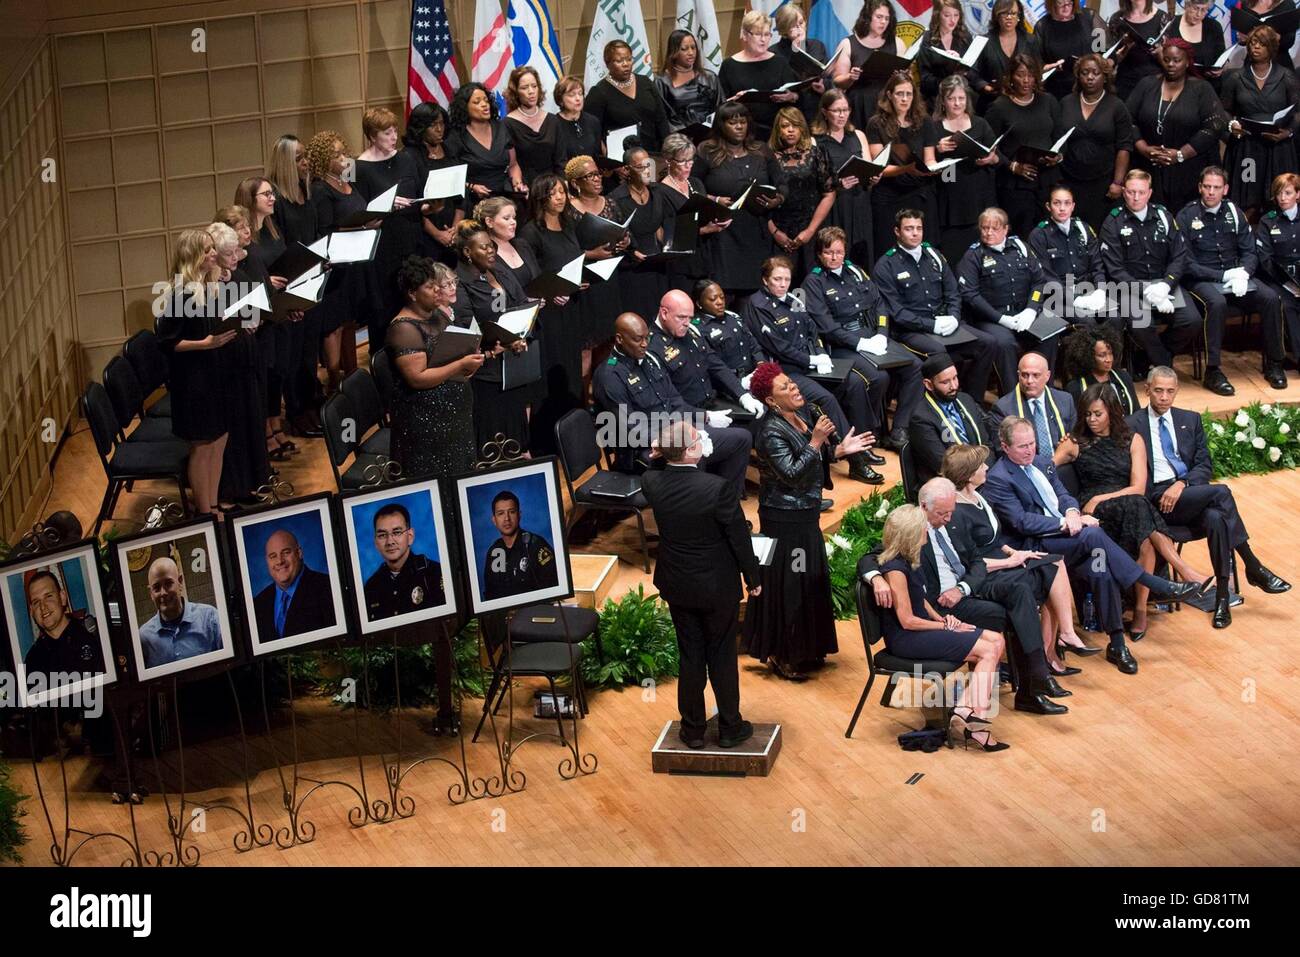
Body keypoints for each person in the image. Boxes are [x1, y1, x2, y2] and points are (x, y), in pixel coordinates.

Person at [982, 416, 1201, 674]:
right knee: (1093, 535)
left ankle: (1117, 644)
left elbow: (1063, 494)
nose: (1030, 449)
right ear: (1005, 447)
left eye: (1032, 443)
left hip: (1067, 540)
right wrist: (1065, 524)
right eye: (1022, 446)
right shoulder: (999, 478)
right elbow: (1021, 521)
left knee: (1101, 565)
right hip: (1036, 547)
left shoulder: (1041, 462)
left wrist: (1073, 512)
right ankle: (1156, 584)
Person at [1129, 366, 1291, 629]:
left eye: (1170, 391)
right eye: (1158, 390)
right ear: (1147, 390)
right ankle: (1253, 565)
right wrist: (1172, 489)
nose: (1164, 397)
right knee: (1222, 492)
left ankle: (1222, 599)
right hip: (1157, 500)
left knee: (1216, 517)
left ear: (1177, 392)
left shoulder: (1190, 419)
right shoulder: (1132, 425)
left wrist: (1182, 483)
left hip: (1187, 493)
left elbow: (1204, 465)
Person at [741, 362, 873, 680]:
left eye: (792, 383)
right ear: (771, 401)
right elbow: (790, 473)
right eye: (785, 388)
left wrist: (838, 450)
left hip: (806, 514)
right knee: (789, 586)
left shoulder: (804, 416)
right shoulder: (770, 431)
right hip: (783, 519)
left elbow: (811, 458)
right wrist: (816, 442)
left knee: (809, 580)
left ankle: (809, 647)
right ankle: (782, 653)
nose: (794, 388)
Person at [1054, 384, 1213, 640]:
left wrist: (1100, 497)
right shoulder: (1074, 443)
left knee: (1143, 530)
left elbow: (1138, 488)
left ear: (1112, 412)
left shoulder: (1132, 439)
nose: (1091, 420)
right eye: (1087, 414)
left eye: (1098, 414)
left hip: (1121, 501)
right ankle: (1182, 570)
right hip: (1097, 513)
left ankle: (1141, 610)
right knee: (1142, 517)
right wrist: (1075, 505)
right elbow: (1046, 471)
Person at [641, 419, 760, 749]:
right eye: (697, 439)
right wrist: (753, 578)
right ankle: (729, 727)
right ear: (693, 451)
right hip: (716, 586)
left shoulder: (652, 481)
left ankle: (692, 730)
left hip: (677, 584)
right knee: (721, 656)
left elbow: (649, 469)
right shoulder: (718, 488)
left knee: (690, 655)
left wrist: (659, 455)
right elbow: (739, 538)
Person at [941, 442, 1099, 672]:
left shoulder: (978, 497)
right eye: (980, 465)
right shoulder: (955, 511)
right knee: (1046, 575)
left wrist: (1016, 553)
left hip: (1003, 560)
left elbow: (996, 540)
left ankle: (1061, 639)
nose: (987, 467)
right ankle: (1045, 659)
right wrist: (1009, 561)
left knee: (1054, 561)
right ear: (967, 475)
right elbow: (966, 563)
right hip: (984, 575)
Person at [869, 505, 1009, 750]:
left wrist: (944, 620)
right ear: (911, 533)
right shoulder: (895, 570)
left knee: (997, 639)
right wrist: (943, 628)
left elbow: (920, 600)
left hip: (925, 629)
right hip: (908, 638)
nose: (927, 529)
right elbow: (907, 620)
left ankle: (968, 710)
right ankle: (971, 718)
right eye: (922, 527)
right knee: (987, 651)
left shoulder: (909, 559)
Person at [741, 255, 885, 483]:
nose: (782, 284)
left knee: (854, 383)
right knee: (826, 398)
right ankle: (855, 460)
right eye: (777, 279)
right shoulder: (757, 305)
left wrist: (819, 352)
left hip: (811, 362)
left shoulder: (794, 297)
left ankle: (862, 442)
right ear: (765, 280)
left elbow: (812, 329)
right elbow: (777, 346)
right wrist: (810, 360)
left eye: (786, 279)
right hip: (787, 370)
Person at [593, 312, 753, 495]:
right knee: (692, 456)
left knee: (741, 439)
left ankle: (725, 505)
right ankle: (695, 515)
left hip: (677, 433)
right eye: (638, 339)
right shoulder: (609, 376)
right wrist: (678, 440)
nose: (645, 344)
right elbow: (630, 428)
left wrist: (703, 418)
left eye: (647, 338)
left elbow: (675, 402)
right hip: (644, 448)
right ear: (619, 339)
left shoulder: (649, 360)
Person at [799, 226, 924, 448]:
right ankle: (868, 432)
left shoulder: (856, 272)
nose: (835, 257)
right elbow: (826, 327)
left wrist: (882, 334)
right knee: (877, 378)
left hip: (872, 336)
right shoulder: (814, 282)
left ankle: (900, 428)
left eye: (839, 251)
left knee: (915, 366)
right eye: (829, 252)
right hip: (842, 344)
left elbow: (880, 305)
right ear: (819, 254)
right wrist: (860, 343)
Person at [873, 209, 1004, 403]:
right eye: (909, 229)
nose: (915, 233)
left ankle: (971, 402)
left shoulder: (934, 255)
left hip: (944, 322)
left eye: (919, 228)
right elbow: (897, 313)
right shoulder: (886, 265)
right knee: (939, 353)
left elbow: (953, 291)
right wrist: (930, 325)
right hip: (910, 331)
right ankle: (941, 406)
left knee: (988, 343)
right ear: (897, 232)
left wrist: (953, 316)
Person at [1175, 165, 1286, 392]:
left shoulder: (1234, 212)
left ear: (1225, 189)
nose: (1211, 192)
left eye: (1216, 187)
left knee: (1271, 298)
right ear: (1200, 187)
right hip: (1201, 279)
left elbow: (1249, 251)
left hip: (1236, 277)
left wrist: (1244, 272)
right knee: (1216, 303)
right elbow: (1186, 263)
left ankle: (1275, 363)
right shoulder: (1186, 215)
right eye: (1207, 187)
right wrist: (1223, 275)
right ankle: (1213, 370)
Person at [156, 229, 236, 520]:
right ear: (192, 256)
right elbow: (166, 342)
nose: (213, 253)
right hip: (193, 383)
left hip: (215, 376)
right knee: (203, 446)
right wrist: (205, 344)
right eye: (206, 250)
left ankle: (213, 504)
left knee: (220, 440)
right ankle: (204, 512)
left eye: (213, 248)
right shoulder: (180, 293)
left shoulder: (207, 285)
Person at [385, 256, 481, 480]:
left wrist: (470, 362)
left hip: (453, 418)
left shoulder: (436, 314)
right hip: (426, 425)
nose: (438, 290)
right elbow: (417, 378)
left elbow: (449, 351)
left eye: (437, 284)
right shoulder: (404, 329)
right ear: (412, 293)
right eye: (430, 287)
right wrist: (460, 365)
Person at [1097, 170, 1202, 372]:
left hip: (1164, 283)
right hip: (1129, 288)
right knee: (1141, 324)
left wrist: (1166, 284)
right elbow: (1115, 270)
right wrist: (1146, 292)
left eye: (1141, 192)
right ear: (1123, 192)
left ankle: (1146, 358)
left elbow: (1180, 256)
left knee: (1191, 320)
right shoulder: (1113, 221)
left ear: (1150, 193)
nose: (1136, 197)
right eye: (1130, 192)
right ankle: (1164, 366)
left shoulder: (1163, 216)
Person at [450, 220, 531, 455]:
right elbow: (465, 327)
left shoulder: (499, 271)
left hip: (513, 365)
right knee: (493, 444)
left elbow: (521, 302)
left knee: (517, 439)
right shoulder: (460, 284)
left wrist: (521, 334)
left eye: (491, 246)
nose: (491, 251)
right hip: (487, 372)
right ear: (467, 252)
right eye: (484, 247)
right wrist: (503, 340)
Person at [305, 130, 375, 395]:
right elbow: (324, 232)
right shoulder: (321, 189)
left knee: (349, 322)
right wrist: (357, 226)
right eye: (336, 154)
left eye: (343, 151)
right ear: (323, 158)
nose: (344, 158)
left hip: (354, 262)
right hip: (334, 267)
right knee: (332, 325)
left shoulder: (347, 179)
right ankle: (334, 382)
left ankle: (351, 375)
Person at [692, 102, 785, 295]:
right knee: (724, 293)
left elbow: (782, 183)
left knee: (756, 294)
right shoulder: (706, 151)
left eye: (743, 122)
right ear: (721, 125)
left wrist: (777, 200)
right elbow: (691, 187)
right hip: (723, 234)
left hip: (756, 232)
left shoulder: (761, 150)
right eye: (733, 123)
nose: (739, 127)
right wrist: (714, 199)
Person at [1126, 38, 1226, 216]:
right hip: (1150, 166)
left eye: (1177, 60)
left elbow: (1215, 126)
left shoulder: (1201, 88)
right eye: (1166, 59)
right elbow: (1128, 120)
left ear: (1187, 62)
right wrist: (1143, 148)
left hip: (1189, 169)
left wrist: (1180, 154)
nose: (1170, 64)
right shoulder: (1146, 84)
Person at [957, 206, 1059, 375]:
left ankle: (1044, 389)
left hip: (1024, 312)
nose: (989, 233)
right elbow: (971, 295)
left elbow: (1038, 282)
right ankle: (1011, 395)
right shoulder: (973, 256)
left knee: (1050, 331)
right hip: (992, 318)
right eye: (984, 228)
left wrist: (1031, 309)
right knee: (1005, 344)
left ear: (1005, 229)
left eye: (994, 228)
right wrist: (1001, 319)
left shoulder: (1021, 248)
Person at [353, 107, 425, 346]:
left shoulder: (405, 158)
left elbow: (417, 195)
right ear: (372, 136)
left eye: (395, 130)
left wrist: (428, 206)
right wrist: (385, 205)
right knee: (385, 310)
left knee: (413, 304)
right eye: (387, 133)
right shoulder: (357, 168)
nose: (394, 137)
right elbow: (356, 211)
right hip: (382, 249)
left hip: (410, 240)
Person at [647, 289, 765, 421]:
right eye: (681, 317)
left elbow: (716, 365)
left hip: (713, 402)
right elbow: (668, 400)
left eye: (690, 317)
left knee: (759, 414)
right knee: (743, 436)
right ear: (664, 313)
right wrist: (705, 417)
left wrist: (743, 395)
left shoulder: (691, 331)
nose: (687, 323)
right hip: (689, 416)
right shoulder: (651, 347)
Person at [921, 74, 1001, 266]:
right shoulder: (934, 127)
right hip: (950, 200)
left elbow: (997, 156)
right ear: (943, 101)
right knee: (955, 258)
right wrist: (938, 150)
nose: (957, 103)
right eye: (951, 99)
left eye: (961, 98)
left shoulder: (980, 124)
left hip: (979, 195)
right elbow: (927, 163)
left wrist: (991, 158)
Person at [1221, 26, 1300, 219]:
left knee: (1280, 198)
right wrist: (1232, 126)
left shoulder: (1287, 77)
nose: (1256, 47)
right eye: (1253, 43)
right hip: (1247, 147)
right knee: (1248, 201)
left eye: (1262, 44)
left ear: (1272, 48)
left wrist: (1288, 132)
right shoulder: (1235, 78)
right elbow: (1224, 110)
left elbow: (1298, 111)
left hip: (1277, 146)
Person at [984, 54, 1065, 238]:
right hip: (1015, 185)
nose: (1026, 80)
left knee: (1051, 235)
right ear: (1011, 77)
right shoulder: (999, 107)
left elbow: (1060, 138)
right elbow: (989, 145)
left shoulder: (1049, 101)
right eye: (1020, 75)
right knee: (1022, 234)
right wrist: (1011, 166)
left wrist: (1057, 157)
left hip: (1047, 180)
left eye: (1030, 74)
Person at [864, 70, 937, 263]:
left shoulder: (925, 121)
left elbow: (929, 158)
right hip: (888, 195)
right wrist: (905, 169)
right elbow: (879, 166)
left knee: (921, 251)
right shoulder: (876, 123)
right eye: (899, 94)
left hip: (918, 192)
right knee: (887, 251)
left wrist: (934, 168)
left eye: (909, 94)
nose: (905, 99)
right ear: (889, 95)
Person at [1059, 54, 1135, 230]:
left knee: (1100, 230)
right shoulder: (1066, 103)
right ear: (1078, 76)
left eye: (1095, 73)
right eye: (1085, 72)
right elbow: (1059, 139)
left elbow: (1124, 146)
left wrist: (1118, 182)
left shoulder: (1116, 106)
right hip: (1070, 178)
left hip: (1103, 183)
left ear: (1105, 76)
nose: (1090, 77)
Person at [768, 107, 836, 281]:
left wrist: (810, 231)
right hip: (778, 231)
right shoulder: (767, 157)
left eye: (795, 125)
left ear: (802, 128)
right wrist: (775, 232)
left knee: (811, 284)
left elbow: (829, 194)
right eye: (785, 126)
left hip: (811, 229)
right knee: (781, 282)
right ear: (778, 130)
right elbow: (760, 200)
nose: (791, 130)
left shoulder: (816, 154)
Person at [608, 143, 674, 320]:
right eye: (641, 167)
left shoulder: (657, 192)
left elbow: (663, 223)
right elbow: (616, 234)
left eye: (649, 165)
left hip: (658, 264)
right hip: (632, 269)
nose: (647, 170)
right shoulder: (616, 198)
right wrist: (631, 250)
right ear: (628, 170)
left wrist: (667, 247)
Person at [812, 88, 875, 268]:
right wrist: (838, 184)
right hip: (836, 205)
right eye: (837, 111)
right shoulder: (816, 140)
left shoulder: (858, 135)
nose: (842, 115)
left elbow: (869, 167)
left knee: (862, 255)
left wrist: (873, 178)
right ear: (825, 112)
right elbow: (816, 180)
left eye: (846, 110)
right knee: (836, 254)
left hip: (860, 202)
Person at [1026, 185, 1110, 319]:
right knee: (1087, 321)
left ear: (1073, 206)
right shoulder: (1039, 235)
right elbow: (1046, 277)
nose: (1062, 208)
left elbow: (1097, 265)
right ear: (1048, 206)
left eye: (1067, 203)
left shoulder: (1084, 228)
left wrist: (1100, 290)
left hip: (1088, 291)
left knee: (1115, 317)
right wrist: (1075, 299)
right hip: (1057, 298)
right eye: (1056, 203)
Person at [908, 353, 993, 484]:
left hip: (983, 474)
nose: (954, 386)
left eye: (955, 378)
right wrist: (978, 476)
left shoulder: (965, 400)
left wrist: (986, 472)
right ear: (929, 384)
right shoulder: (921, 418)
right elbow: (944, 466)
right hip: (952, 485)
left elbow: (987, 444)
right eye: (945, 382)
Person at [719, 11, 801, 141]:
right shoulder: (729, 65)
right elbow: (721, 105)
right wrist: (734, 101)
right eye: (758, 34)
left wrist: (791, 96)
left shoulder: (779, 62)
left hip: (777, 132)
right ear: (745, 35)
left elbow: (797, 95)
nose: (763, 40)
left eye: (767, 34)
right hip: (742, 133)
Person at [829, 0, 906, 129]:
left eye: (887, 18)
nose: (883, 22)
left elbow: (904, 78)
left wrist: (902, 76)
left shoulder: (897, 43)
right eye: (879, 17)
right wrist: (850, 77)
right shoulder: (848, 44)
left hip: (887, 103)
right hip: (859, 104)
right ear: (867, 17)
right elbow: (837, 80)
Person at [586, 40, 672, 152]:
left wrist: (668, 148)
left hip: (654, 152)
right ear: (608, 64)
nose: (625, 64)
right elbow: (592, 130)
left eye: (629, 59)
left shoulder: (645, 82)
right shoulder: (599, 92)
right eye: (619, 61)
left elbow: (661, 119)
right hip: (622, 158)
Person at [363, 503, 445, 620]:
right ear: (376, 542)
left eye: (396, 532)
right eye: (382, 535)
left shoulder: (434, 574)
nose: (390, 541)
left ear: (410, 536)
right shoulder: (371, 587)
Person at [445, 84, 525, 202]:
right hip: (473, 200)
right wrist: (471, 187)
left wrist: (517, 183)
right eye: (477, 102)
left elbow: (513, 165)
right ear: (464, 107)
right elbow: (450, 175)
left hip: (505, 196)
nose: (484, 105)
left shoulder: (501, 127)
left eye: (486, 101)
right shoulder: (456, 136)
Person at [138, 557, 223, 667]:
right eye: (156, 588)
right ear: (151, 593)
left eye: (168, 583)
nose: (163, 592)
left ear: (180, 582)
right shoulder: (143, 638)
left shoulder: (210, 619)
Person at [989, 352, 1076, 457]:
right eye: (1025, 375)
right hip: (1026, 469)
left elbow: (1074, 440)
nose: (1029, 381)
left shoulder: (1065, 400)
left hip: (1064, 466)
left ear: (1047, 376)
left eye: (1036, 375)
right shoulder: (1003, 409)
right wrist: (1054, 463)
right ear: (1018, 375)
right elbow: (1004, 453)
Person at [22, 570, 106, 679]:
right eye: (36, 602)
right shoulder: (32, 660)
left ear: (62, 597)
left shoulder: (96, 634)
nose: (43, 607)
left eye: (48, 597)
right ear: (32, 611)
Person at [481, 491, 559, 600]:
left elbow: (553, 591)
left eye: (511, 512)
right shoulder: (495, 551)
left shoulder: (536, 546)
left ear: (519, 515)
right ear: (494, 520)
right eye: (500, 513)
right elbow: (491, 594)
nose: (507, 518)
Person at [1256, 173, 1300, 367]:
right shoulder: (1268, 221)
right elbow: (1265, 259)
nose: (1282, 198)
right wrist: (1289, 284)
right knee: (1287, 305)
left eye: (1288, 193)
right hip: (1279, 278)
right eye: (1279, 193)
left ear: (1298, 194)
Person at [692, 279, 768, 382]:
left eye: (722, 297)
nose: (720, 302)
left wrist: (761, 364)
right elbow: (711, 367)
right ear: (699, 303)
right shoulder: (697, 328)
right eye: (713, 299)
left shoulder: (734, 317)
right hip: (728, 384)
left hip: (754, 376)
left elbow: (753, 345)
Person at [1061, 325, 1141, 418]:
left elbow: (1136, 412)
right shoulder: (1076, 387)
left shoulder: (1123, 377)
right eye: (1102, 355)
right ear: (1088, 357)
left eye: (1110, 353)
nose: (1108, 359)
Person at [654, 28, 722, 133]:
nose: (691, 52)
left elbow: (721, 108)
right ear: (674, 52)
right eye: (684, 49)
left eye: (693, 48)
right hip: (679, 139)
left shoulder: (709, 77)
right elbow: (663, 118)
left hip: (711, 135)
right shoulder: (662, 82)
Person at [503, 66, 558, 193]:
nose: (531, 91)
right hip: (527, 188)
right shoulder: (508, 123)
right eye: (524, 87)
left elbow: (560, 161)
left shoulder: (552, 120)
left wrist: (560, 188)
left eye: (534, 86)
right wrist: (519, 185)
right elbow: (512, 164)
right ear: (515, 92)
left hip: (554, 187)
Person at [771, 2, 829, 120]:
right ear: (784, 29)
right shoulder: (774, 52)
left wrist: (824, 87)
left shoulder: (817, 45)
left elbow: (827, 76)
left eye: (801, 23)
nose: (799, 28)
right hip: (791, 112)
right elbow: (777, 85)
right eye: (793, 25)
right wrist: (795, 48)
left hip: (817, 107)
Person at [916, 0, 979, 103]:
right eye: (947, 15)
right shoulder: (928, 38)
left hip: (961, 94)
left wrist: (962, 66)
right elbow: (925, 78)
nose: (953, 20)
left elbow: (974, 71)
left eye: (956, 15)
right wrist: (946, 84)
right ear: (938, 15)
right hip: (936, 96)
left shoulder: (965, 37)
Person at [1108, 0, 1171, 101]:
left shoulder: (1162, 18)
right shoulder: (1117, 19)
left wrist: (1159, 53)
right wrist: (1119, 56)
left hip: (1153, 83)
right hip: (1125, 81)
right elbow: (1111, 56)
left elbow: (1170, 61)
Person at [1036, 0, 1100, 100]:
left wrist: (1102, 62)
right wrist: (1048, 68)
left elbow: (1105, 48)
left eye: (1069, 2)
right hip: (1057, 89)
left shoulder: (1089, 17)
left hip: (1089, 85)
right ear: (1052, 3)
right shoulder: (1042, 26)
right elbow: (1036, 62)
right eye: (1060, 3)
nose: (1066, 7)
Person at [1173, 0, 1228, 93]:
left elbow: (1220, 57)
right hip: (1176, 83)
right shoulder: (1172, 23)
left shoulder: (1214, 27)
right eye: (1195, 8)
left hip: (1206, 85)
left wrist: (1219, 69)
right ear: (1186, 6)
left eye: (1204, 10)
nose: (1198, 14)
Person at [552, 76, 603, 169]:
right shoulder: (553, 125)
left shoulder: (593, 121)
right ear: (560, 100)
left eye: (580, 94)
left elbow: (598, 154)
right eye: (572, 95)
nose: (578, 98)